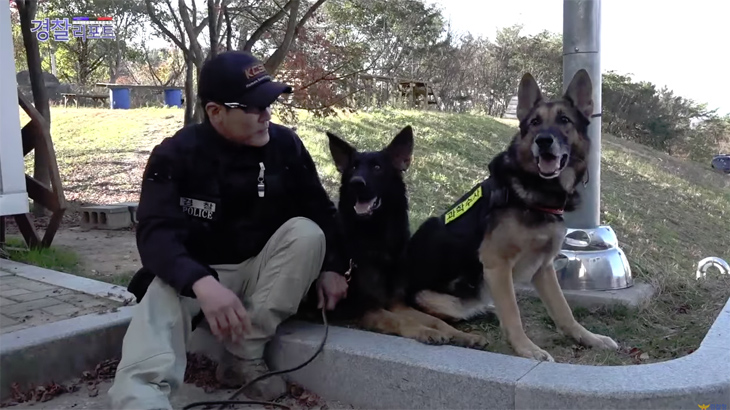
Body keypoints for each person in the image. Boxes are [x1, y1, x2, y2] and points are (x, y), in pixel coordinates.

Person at [107, 50, 350, 410]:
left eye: (269, 104)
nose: (266, 115)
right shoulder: (176, 155)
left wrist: (334, 265)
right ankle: (140, 398)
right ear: (215, 112)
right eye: (254, 107)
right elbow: (155, 233)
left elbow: (322, 212)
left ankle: (243, 358)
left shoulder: (287, 147)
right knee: (161, 292)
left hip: (261, 268)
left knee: (307, 232)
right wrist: (201, 283)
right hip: (194, 274)